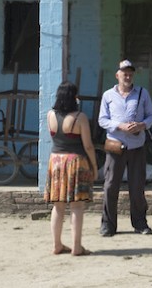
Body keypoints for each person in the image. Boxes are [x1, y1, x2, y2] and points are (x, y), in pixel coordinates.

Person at [98, 59, 152, 237]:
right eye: (124, 73)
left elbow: (151, 116)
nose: (128, 76)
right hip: (115, 146)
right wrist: (119, 126)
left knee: (137, 187)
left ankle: (140, 223)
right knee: (110, 186)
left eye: (130, 73)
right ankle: (108, 225)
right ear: (118, 75)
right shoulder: (108, 95)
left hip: (137, 146)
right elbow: (102, 120)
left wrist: (142, 125)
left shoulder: (142, 93)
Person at [44, 81, 99, 256]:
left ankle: (57, 244)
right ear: (74, 97)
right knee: (77, 207)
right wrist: (94, 166)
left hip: (56, 161)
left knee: (57, 207)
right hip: (76, 162)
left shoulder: (50, 115)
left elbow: (54, 138)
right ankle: (77, 246)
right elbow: (88, 146)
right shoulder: (80, 117)